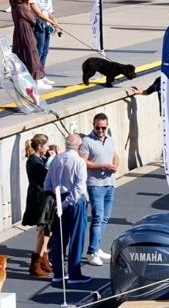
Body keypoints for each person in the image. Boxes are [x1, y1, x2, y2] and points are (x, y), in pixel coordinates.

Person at [44, 134, 90, 285]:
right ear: (80, 146)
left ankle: (58, 272)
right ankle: (74, 273)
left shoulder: (56, 159)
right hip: (75, 202)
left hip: (59, 198)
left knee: (59, 237)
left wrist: (58, 201)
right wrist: (67, 202)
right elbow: (79, 187)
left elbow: (48, 184)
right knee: (76, 237)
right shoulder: (79, 162)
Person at [80, 114, 120, 266]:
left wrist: (115, 165)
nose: (101, 130)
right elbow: (83, 162)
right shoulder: (87, 141)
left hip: (109, 183)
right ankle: (91, 252)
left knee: (105, 218)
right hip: (95, 184)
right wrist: (102, 166)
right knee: (97, 217)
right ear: (93, 125)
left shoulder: (109, 138)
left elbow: (115, 156)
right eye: (98, 127)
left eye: (103, 127)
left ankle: (96, 248)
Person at [22, 134, 55, 279]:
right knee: (44, 229)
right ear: (40, 146)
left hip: (44, 197)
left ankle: (43, 258)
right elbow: (44, 175)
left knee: (48, 230)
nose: (48, 148)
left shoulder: (39, 159)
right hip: (39, 198)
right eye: (46, 145)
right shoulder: (33, 161)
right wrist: (51, 161)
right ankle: (36, 262)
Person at [10, 0, 48, 90]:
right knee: (32, 54)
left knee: (22, 54)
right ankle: (37, 79)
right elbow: (33, 19)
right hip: (26, 32)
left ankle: (30, 78)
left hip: (18, 32)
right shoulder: (23, 7)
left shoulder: (14, 6)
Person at [27, 0, 61, 71]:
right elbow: (39, 13)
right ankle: (36, 73)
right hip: (39, 26)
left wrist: (54, 20)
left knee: (45, 51)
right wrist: (51, 21)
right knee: (40, 51)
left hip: (46, 26)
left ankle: (41, 72)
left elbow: (46, 10)